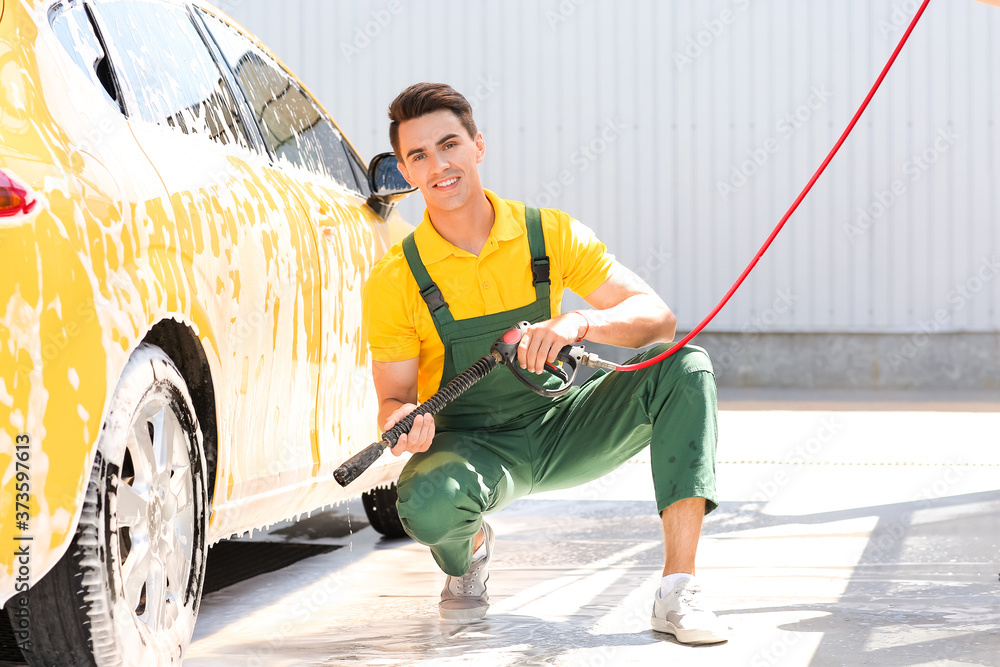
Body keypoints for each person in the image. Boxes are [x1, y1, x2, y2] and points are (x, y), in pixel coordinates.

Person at [361, 82, 728, 645]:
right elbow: (394, 398)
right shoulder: (395, 278)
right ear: (407, 173)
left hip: (564, 423)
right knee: (425, 502)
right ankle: (471, 554)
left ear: (478, 146)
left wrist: (579, 323)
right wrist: (404, 421)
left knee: (686, 367)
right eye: (419, 155)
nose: (439, 165)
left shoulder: (547, 233)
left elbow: (657, 318)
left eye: (450, 144)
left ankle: (679, 589)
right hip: (474, 446)